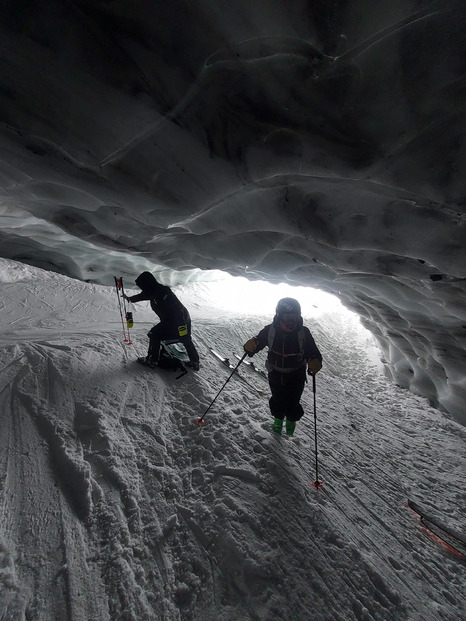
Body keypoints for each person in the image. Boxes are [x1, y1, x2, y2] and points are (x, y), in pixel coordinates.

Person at [243, 297, 322, 436]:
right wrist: (251, 346)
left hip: (296, 375)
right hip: (275, 373)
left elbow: (312, 351)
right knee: (277, 399)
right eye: (287, 318)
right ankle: (278, 420)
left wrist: (315, 360)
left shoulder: (303, 333)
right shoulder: (270, 330)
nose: (291, 323)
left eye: (295, 318)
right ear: (279, 316)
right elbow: (258, 342)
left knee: (293, 401)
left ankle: (291, 420)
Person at [124, 271, 200, 371]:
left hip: (178, 319)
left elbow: (177, 309)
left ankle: (152, 360)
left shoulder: (163, 292)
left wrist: (180, 326)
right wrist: (130, 299)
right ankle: (195, 362)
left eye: (142, 285)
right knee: (185, 338)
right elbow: (144, 295)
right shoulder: (153, 290)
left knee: (155, 334)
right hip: (175, 319)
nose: (141, 288)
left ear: (147, 284)